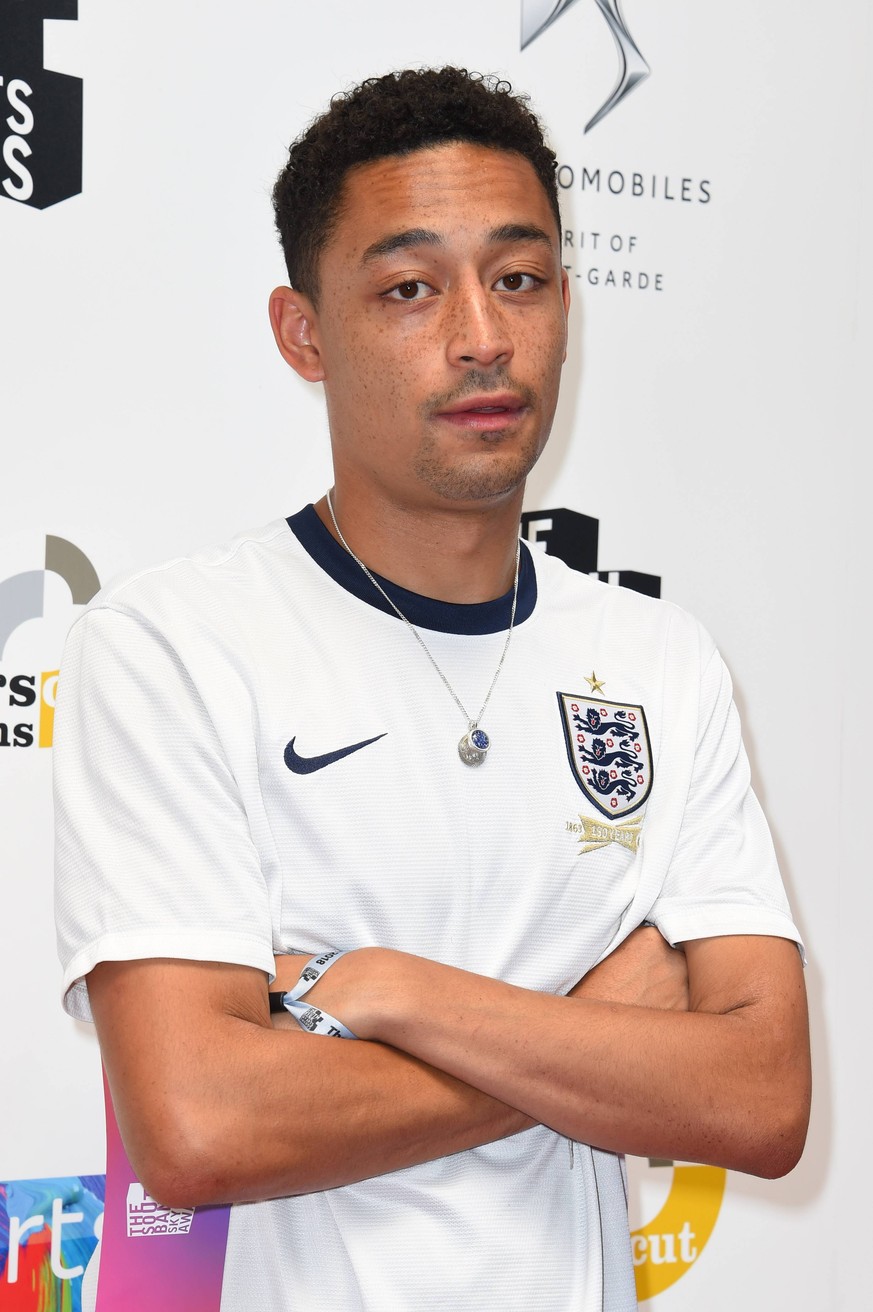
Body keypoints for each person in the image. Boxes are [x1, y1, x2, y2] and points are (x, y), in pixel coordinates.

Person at [54, 67, 810, 1311]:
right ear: (304, 333)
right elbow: (197, 1125)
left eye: (519, 279)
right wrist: (589, 1030)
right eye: (410, 289)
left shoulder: (661, 660)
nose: (482, 337)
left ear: (565, 299)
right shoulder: (172, 643)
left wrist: (395, 992)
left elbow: (762, 1094)